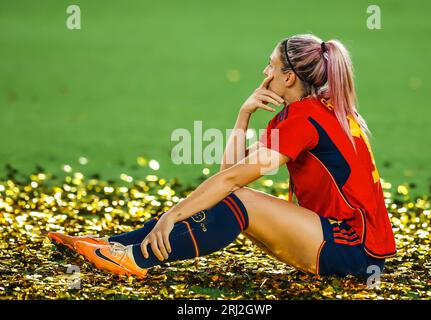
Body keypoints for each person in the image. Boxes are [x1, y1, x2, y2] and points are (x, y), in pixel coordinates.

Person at [49, 34, 396, 280]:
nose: (265, 73)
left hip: (352, 250)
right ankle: (113, 245)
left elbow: (232, 182)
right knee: (233, 198)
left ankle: (136, 257)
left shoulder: (303, 119)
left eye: (271, 66)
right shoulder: (313, 111)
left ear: (288, 77)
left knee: (239, 199)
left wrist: (174, 214)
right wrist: (242, 116)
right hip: (343, 242)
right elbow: (229, 175)